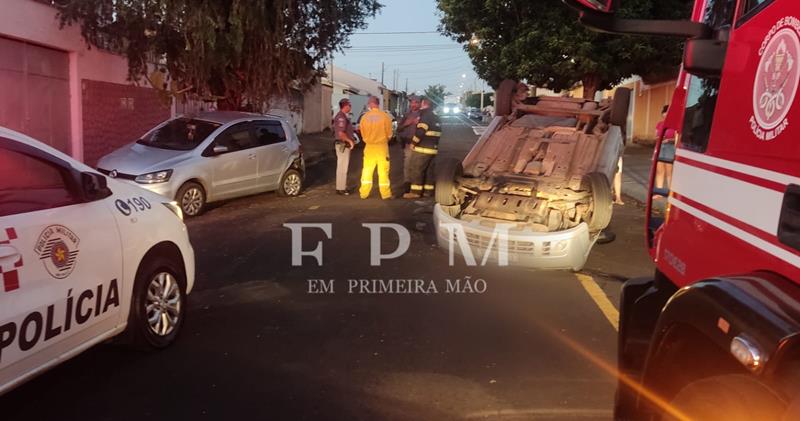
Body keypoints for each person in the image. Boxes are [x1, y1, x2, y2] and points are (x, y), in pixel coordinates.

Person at [403, 97, 442, 199]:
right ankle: (428, 191)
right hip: (433, 149)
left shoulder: (425, 115)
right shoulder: (435, 116)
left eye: (421, 103)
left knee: (416, 170)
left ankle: (415, 192)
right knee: (429, 171)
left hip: (422, 149)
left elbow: (421, 131)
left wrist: (413, 143)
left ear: (424, 104)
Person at [358, 96, 394, 200]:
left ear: (370, 104)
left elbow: (362, 132)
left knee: (367, 170)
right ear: (378, 104)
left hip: (369, 147)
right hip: (382, 147)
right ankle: (385, 194)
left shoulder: (364, 117)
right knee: (383, 171)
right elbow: (389, 134)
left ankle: (364, 193)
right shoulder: (385, 116)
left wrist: (367, 139)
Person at [397, 96, 421, 193]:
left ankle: (417, 185)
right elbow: (399, 128)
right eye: (412, 102)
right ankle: (407, 183)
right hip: (408, 143)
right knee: (408, 164)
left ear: (420, 104)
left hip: (420, 144)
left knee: (418, 165)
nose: (413, 104)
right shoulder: (406, 115)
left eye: (416, 102)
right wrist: (408, 123)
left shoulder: (423, 115)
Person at [333, 98, 356, 195]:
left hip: (343, 144)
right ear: (345, 106)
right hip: (343, 144)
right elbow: (341, 133)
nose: (350, 107)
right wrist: (349, 141)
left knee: (342, 166)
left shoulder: (343, 116)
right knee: (342, 167)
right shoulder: (341, 117)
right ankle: (341, 188)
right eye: (349, 105)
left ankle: (341, 186)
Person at [655, 105, 677, 191]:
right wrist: (660, 138)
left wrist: (668, 140)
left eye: (667, 113)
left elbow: (677, 138)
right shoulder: (659, 124)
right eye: (664, 112)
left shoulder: (675, 125)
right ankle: (658, 191)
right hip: (660, 146)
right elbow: (656, 136)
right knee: (659, 170)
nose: (665, 114)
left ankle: (670, 191)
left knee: (669, 171)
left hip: (670, 147)